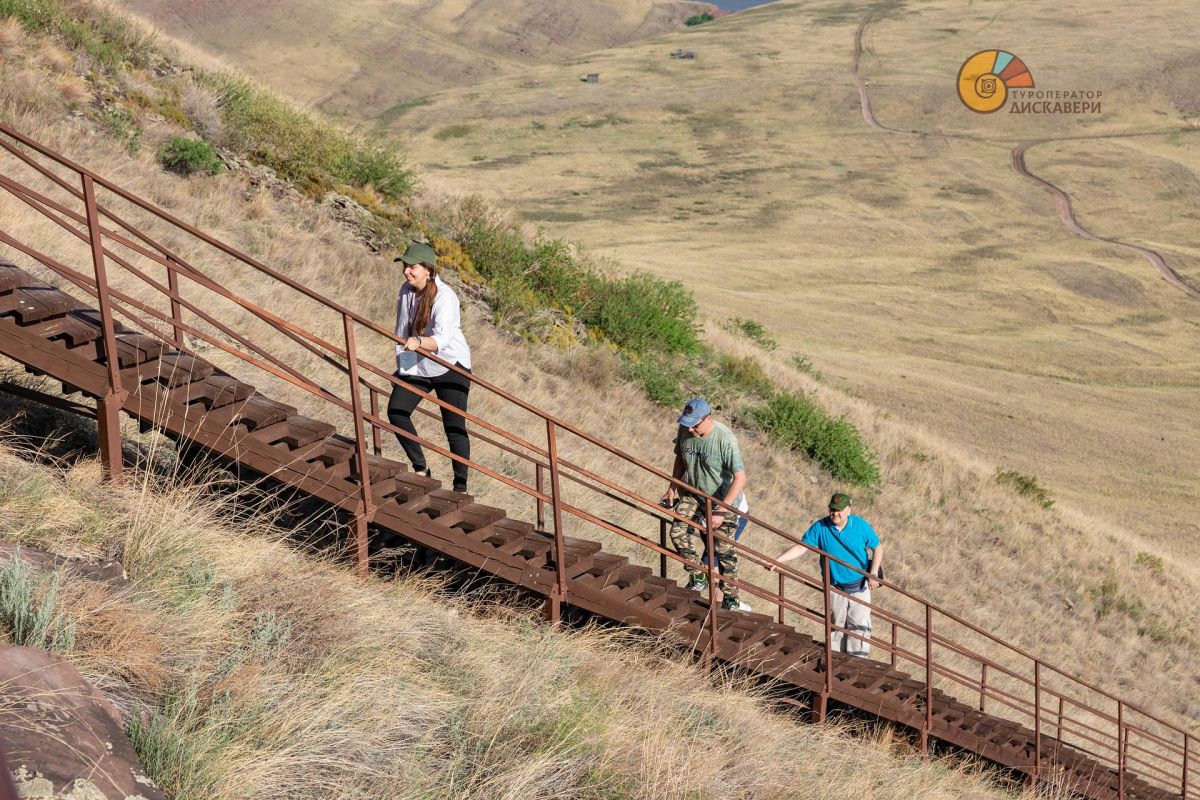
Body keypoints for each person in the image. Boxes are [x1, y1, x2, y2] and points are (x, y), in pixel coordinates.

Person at [387, 241, 473, 493]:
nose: (406, 272)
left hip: (450, 365)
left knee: (454, 427)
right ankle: (421, 469)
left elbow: (443, 339)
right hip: (419, 362)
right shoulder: (406, 290)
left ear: (428, 270)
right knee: (397, 411)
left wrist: (419, 342)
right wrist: (404, 368)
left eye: (412, 267)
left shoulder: (446, 297)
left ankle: (460, 486)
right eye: (405, 266)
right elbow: (402, 331)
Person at [660, 397, 748, 610]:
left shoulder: (724, 439)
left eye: (695, 425)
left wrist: (721, 510)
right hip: (694, 494)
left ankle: (731, 597)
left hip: (723, 500)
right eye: (687, 424)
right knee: (677, 532)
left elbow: (740, 477)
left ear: (708, 418)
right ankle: (697, 575)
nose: (690, 429)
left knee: (723, 549)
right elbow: (680, 458)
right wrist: (672, 488)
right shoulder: (685, 431)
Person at [769, 492, 882, 657]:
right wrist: (778, 561)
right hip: (835, 587)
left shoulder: (860, 525)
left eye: (839, 511)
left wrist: (873, 574)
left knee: (859, 628)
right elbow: (802, 547)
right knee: (836, 627)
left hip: (859, 587)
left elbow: (877, 547)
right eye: (832, 509)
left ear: (848, 510)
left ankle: (858, 664)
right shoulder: (820, 527)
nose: (834, 514)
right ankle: (834, 662)